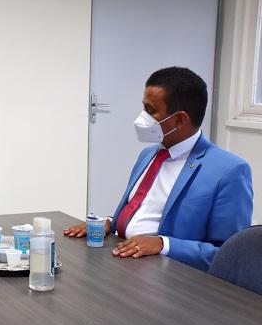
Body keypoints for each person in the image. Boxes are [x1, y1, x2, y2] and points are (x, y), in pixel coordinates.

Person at [64, 66, 253, 271]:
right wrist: (109, 223)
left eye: (150, 110)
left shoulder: (230, 171)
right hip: (124, 262)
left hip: (172, 279)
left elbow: (230, 256)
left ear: (180, 119)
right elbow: (143, 210)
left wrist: (164, 244)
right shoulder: (149, 154)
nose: (142, 117)